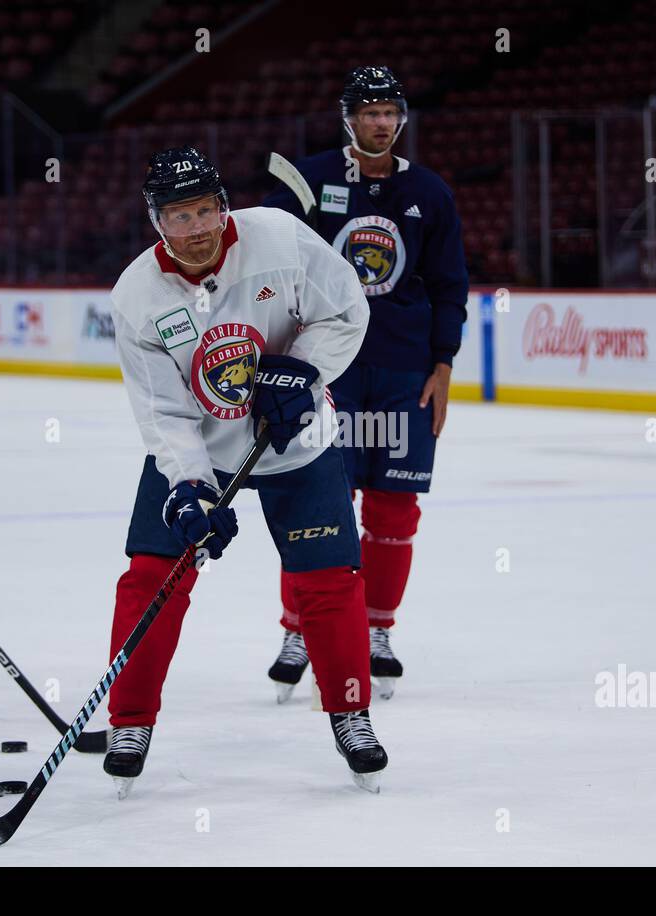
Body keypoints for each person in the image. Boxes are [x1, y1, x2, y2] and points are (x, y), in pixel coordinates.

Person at [104, 146, 388, 795]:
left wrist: (305, 370)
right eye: (180, 216)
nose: (196, 227)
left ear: (222, 206)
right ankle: (131, 721)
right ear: (157, 222)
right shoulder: (136, 297)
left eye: (205, 210)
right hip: (201, 446)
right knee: (151, 577)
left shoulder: (281, 238)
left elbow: (347, 311)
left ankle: (350, 712)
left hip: (298, 441)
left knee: (328, 581)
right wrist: (190, 488)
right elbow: (164, 413)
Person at [261, 66, 468, 700]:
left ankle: (377, 630)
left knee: (394, 509)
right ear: (347, 117)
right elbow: (270, 263)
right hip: (328, 371)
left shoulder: (428, 192)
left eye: (390, 111)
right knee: (320, 508)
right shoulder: (307, 179)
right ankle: (300, 629)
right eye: (369, 110)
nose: (381, 121)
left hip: (405, 374)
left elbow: (448, 285)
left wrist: (443, 365)